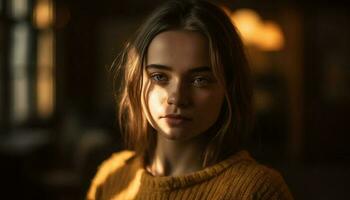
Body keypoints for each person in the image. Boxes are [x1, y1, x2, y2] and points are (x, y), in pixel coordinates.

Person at [87, 0, 293, 199]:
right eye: (159, 77)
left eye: (200, 80)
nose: (177, 98)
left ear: (228, 89)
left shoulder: (256, 190)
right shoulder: (112, 177)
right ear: (136, 82)